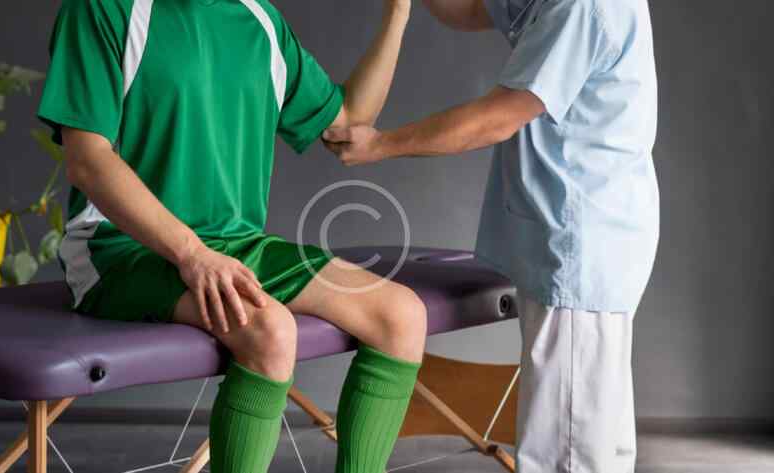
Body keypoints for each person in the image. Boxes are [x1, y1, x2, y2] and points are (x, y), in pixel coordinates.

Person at [37, 1, 425, 472]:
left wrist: (398, 11)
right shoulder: (103, 9)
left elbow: (348, 122)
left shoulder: (259, 19)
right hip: (119, 247)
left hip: (233, 244)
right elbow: (88, 160)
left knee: (401, 316)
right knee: (270, 331)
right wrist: (191, 253)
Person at [322, 0, 659, 471]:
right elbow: (471, 10)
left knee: (566, 451)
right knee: (592, 435)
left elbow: (499, 117)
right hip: (590, 236)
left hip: (582, 241)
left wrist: (381, 144)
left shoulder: (583, 5)